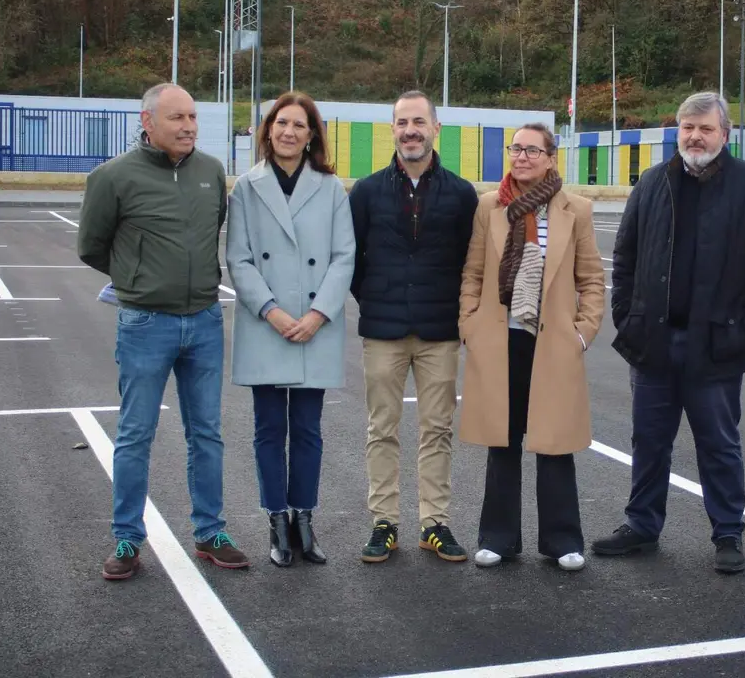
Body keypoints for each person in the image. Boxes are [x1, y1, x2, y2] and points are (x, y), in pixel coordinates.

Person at [592, 91, 745, 573]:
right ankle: (642, 525)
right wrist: (628, 316)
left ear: (724, 134)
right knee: (648, 440)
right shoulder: (653, 182)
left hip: (717, 343)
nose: (695, 136)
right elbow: (626, 255)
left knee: (719, 444)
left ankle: (727, 534)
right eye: (687, 127)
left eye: (705, 128)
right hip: (654, 341)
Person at [78, 83, 249, 580]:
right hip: (144, 324)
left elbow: (215, 227)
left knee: (207, 434)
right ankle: (128, 539)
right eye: (177, 118)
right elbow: (92, 246)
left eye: (193, 117)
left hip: (204, 320)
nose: (189, 126)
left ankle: (210, 531)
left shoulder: (211, 173)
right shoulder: (112, 177)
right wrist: (136, 279)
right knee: (134, 434)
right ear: (148, 121)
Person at [457, 124, 605, 571]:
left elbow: (592, 280)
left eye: (531, 150)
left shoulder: (574, 209)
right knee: (503, 441)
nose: (521, 157)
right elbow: (474, 274)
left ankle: (562, 541)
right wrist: (471, 325)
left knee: (555, 442)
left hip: (554, 343)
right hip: (501, 340)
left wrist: (582, 332)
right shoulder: (490, 207)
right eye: (515, 148)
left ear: (550, 157)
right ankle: (498, 538)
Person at [225, 92, 356, 568]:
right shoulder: (246, 187)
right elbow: (237, 258)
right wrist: (272, 312)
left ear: (311, 135)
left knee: (307, 431)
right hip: (268, 324)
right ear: (268, 130)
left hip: (314, 325)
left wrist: (318, 314)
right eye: (281, 123)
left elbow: (344, 257)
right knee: (267, 430)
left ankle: (304, 519)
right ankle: (277, 521)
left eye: (299, 125)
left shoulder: (330, 186)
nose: (289, 132)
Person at [349, 90, 479, 563]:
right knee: (381, 428)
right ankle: (384, 523)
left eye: (419, 121)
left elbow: (470, 261)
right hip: (382, 330)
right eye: (402, 122)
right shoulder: (365, 191)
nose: (410, 130)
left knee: (436, 429)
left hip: (439, 332)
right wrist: (375, 296)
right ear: (392, 130)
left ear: (435, 128)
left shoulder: (462, 194)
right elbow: (353, 259)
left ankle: (434, 523)